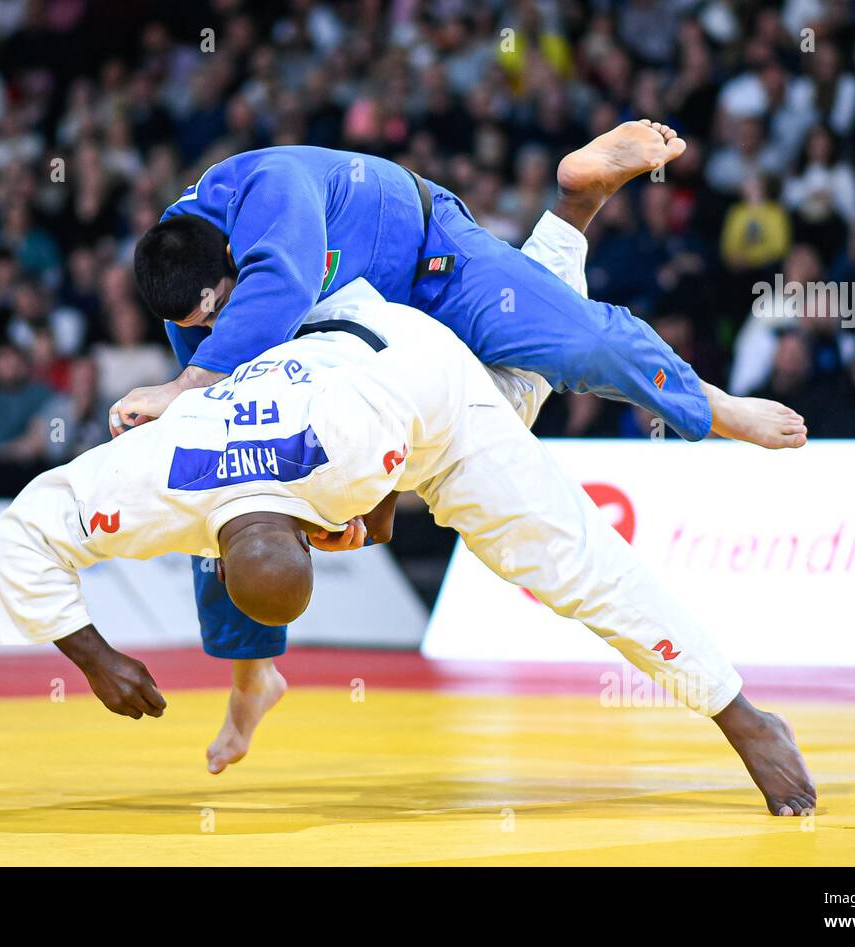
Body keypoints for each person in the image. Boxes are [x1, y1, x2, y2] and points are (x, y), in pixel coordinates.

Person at [0, 210, 816, 818]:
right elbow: (25, 534)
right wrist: (93, 655)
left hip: (409, 364)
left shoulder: (169, 474)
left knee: (548, 506)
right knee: (574, 561)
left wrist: (93, 657)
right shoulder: (164, 473)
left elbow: (23, 529)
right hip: (314, 344)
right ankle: (736, 713)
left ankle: (567, 229)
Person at [112, 122, 808, 699]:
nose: (215, 325)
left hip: (432, 262)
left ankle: (709, 402)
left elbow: (280, 282)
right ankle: (574, 207)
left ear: (232, 258)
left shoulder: (266, 188)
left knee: (576, 342)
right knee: (233, 474)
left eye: (221, 305)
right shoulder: (200, 322)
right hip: (373, 351)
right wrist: (249, 671)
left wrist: (185, 389)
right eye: (202, 325)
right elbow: (229, 464)